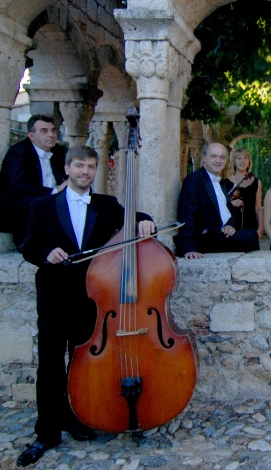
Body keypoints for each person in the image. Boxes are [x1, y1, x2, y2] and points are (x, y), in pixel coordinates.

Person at [18, 145, 155, 467]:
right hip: (53, 297)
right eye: (79, 166)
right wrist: (46, 253)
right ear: (67, 168)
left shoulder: (105, 206)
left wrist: (145, 221)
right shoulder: (43, 206)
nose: (85, 172)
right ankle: (46, 432)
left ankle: (75, 417)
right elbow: (28, 245)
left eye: (91, 167)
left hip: (91, 297)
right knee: (50, 364)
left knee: (81, 362)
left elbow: (133, 215)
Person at [174, 143, 260, 258]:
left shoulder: (220, 182)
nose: (218, 160)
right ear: (204, 158)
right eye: (213, 156)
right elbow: (186, 216)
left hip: (221, 233)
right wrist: (188, 249)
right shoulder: (194, 180)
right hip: (204, 238)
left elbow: (229, 209)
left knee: (251, 236)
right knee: (251, 237)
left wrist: (230, 225)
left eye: (222, 157)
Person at [0, 114, 69, 248]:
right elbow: (18, 187)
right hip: (20, 203)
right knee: (39, 203)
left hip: (51, 197)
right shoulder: (19, 152)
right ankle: (27, 244)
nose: (51, 134)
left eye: (53, 130)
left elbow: (68, 175)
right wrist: (53, 191)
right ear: (31, 136)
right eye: (44, 131)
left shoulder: (59, 151)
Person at [222, 148, 263, 238]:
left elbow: (258, 207)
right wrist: (231, 203)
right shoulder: (225, 183)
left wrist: (260, 228)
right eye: (239, 158)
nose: (242, 161)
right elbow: (220, 206)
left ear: (249, 162)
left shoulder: (256, 182)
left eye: (245, 158)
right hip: (232, 226)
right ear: (234, 162)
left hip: (251, 225)